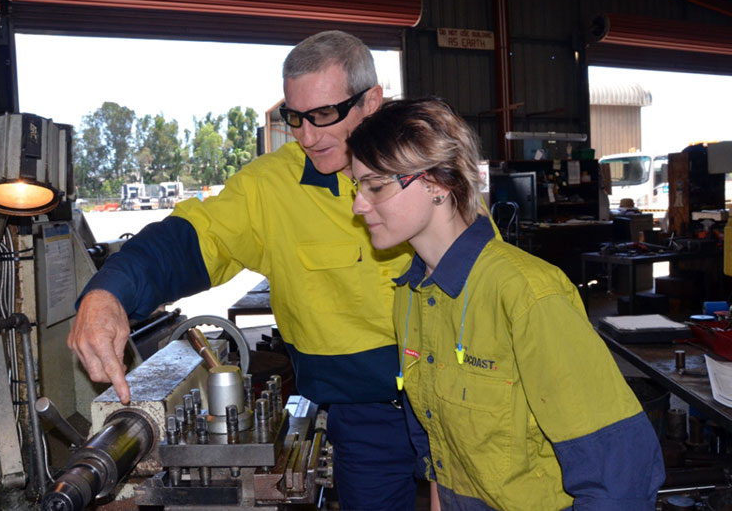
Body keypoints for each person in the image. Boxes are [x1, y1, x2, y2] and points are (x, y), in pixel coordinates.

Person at [68, 31, 425, 511]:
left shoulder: (428, 164)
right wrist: (109, 290)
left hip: (460, 394)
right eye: (294, 118)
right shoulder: (270, 188)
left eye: (323, 115)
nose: (307, 136)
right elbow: (196, 238)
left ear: (372, 101)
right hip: (364, 416)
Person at [347, 97, 666, 510]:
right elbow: (440, 454)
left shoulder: (527, 294)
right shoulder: (410, 297)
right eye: (358, 186)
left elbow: (620, 469)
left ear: (438, 183)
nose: (358, 204)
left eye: (375, 185)